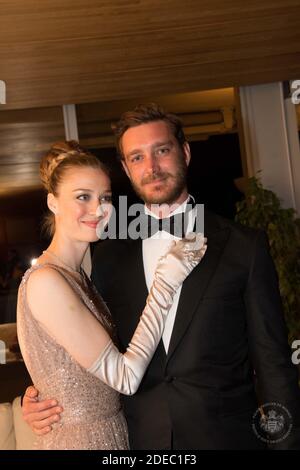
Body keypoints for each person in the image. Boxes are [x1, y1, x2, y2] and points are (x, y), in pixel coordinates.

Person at [22, 105, 300, 450]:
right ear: (125, 167)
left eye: (162, 151)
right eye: (137, 157)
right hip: (136, 442)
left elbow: (273, 367)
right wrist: (39, 396)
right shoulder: (105, 255)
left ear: (184, 152)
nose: (151, 167)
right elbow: (80, 344)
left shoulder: (244, 247)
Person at [17, 140, 206, 450]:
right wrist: (166, 282)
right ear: (53, 203)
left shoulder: (88, 274)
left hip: (122, 433)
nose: (98, 209)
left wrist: (43, 389)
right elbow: (125, 378)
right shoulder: (46, 281)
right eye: (82, 197)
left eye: (105, 197)